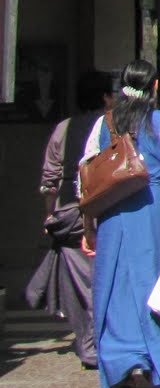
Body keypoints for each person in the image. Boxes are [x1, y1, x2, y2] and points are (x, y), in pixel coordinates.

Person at [82, 59, 160, 388]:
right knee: (151, 285)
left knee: (115, 286)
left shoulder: (104, 124)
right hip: (151, 209)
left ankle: (119, 362)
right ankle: (153, 361)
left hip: (113, 216)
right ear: (156, 87)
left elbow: (87, 177)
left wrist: (88, 226)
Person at [28, 72, 111, 370]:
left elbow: (50, 178)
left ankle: (86, 343)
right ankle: (103, 340)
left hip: (70, 213)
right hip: (104, 211)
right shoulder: (110, 125)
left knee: (78, 282)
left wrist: (50, 214)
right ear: (105, 97)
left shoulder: (63, 129)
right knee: (104, 277)